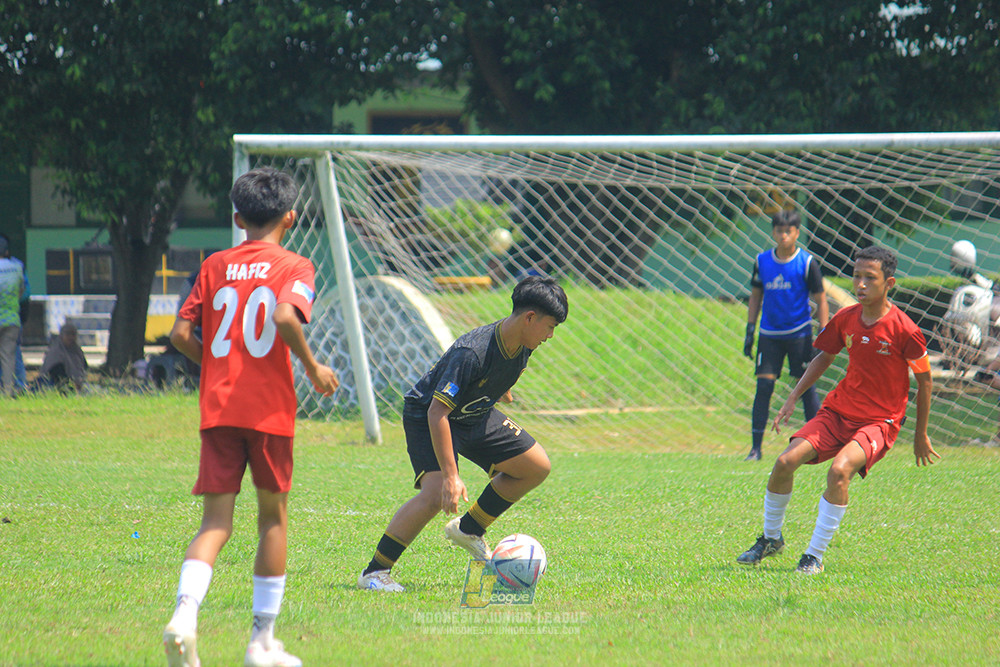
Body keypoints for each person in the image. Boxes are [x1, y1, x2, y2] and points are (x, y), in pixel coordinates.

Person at [162, 168, 339, 667]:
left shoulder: (215, 264)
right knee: (271, 519)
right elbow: (284, 317)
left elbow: (179, 335)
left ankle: (185, 616)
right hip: (267, 410)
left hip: (217, 409)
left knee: (215, 522)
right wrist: (312, 366)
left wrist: (216, 364)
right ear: (291, 216)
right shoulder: (296, 265)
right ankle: (262, 643)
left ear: (237, 217)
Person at [735, 246, 940, 574]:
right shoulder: (846, 319)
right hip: (837, 412)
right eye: (856, 276)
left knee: (839, 470)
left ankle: (813, 555)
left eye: (869, 278)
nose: (860, 284)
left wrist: (920, 434)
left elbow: (925, 381)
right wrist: (792, 398)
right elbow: (824, 357)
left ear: (889, 283)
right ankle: (771, 539)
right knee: (785, 461)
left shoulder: (904, 329)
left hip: (879, 422)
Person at [357, 275, 568, 592]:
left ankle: (469, 530)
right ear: (529, 318)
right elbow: (436, 411)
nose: (551, 335)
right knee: (434, 494)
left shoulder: (524, 343)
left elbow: (511, 369)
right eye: (550, 326)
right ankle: (374, 573)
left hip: (475, 414)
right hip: (428, 415)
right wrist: (452, 476)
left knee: (535, 465)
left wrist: (502, 387)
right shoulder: (472, 352)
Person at [743, 210, 828, 461]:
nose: (783, 236)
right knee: (764, 386)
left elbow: (821, 300)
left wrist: (822, 334)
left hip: (799, 334)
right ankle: (755, 448)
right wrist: (750, 330)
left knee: (806, 387)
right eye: (779, 230)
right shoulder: (762, 261)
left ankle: (817, 445)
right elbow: (756, 296)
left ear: (797, 233)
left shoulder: (807, 262)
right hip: (770, 334)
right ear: (773, 232)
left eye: (788, 231)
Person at [0, 233, 25, 396]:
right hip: (12, 319)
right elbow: (21, 291)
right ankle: (7, 391)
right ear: (7, 252)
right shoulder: (17, 267)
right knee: (8, 357)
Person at [36, 322, 88, 391]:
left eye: (73, 335)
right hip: (53, 385)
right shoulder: (56, 351)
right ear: (61, 336)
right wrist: (72, 384)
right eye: (68, 335)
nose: (71, 337)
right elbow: (56, 374)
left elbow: (84, 368)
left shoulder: (77, 351)